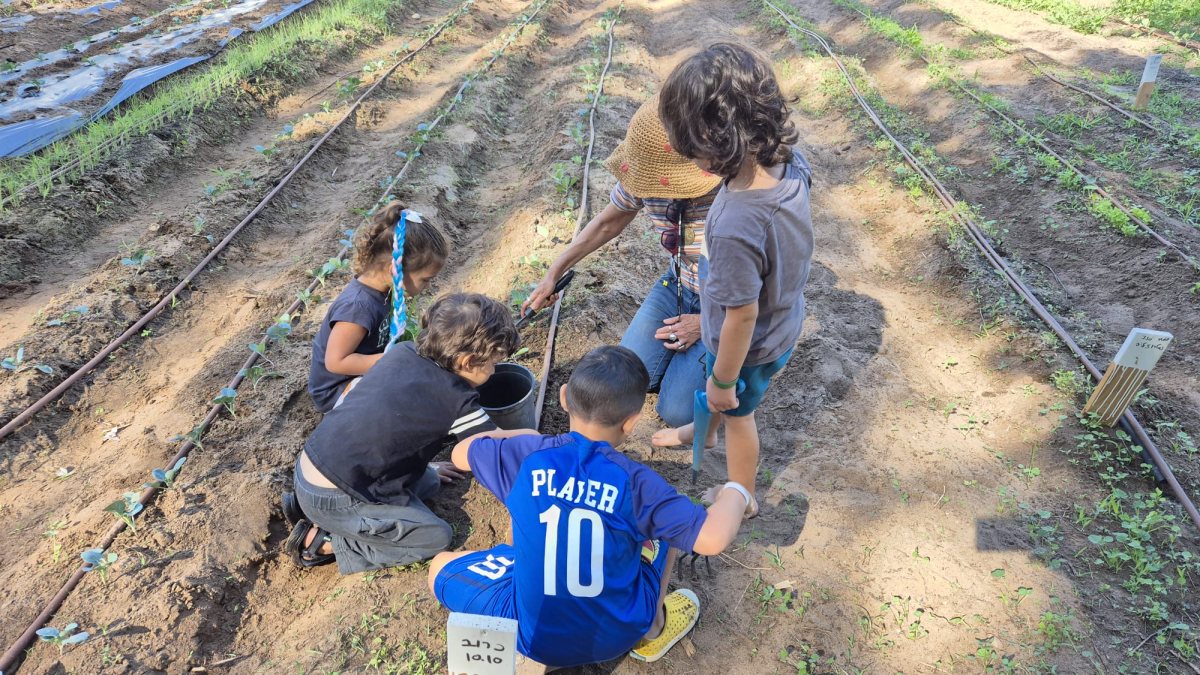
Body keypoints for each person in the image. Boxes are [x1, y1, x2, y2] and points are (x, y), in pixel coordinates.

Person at [427, 346, 750, 669]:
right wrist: (735, 491)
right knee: (669, 532)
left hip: (532, 637)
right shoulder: (638, 484)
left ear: (564, 398)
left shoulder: (528, 456)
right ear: (631, 423)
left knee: (439, 567)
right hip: (620, 633)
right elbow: (712, 539)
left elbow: (460, 454)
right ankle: (652, 628)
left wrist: (525, 436)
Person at [656, 42, 814, 517]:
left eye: (690, 147)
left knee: (738, 412)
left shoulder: (733, 226)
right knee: (713, 387)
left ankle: (741, 493)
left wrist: (725, 381)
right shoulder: (788, 163)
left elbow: (741, 315)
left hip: (750, 345)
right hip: (782, 316)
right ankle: (697, 428)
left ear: (714, 144)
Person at [286, 293, 525, 573]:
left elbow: (388, 427)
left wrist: (429, 468)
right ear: (469, 361)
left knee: (430, 482)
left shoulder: (404, 352)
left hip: (314, 468)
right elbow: (492, 447)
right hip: (338, 496)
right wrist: (536, 439)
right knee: (434, 536)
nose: (495, 369)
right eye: (493, 362)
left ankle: (316, 510)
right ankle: (326, 541)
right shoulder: (456, 399)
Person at [524, 95, 721, 430]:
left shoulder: (731, 196)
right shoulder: (644, 177)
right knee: (628, 376)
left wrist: (705, 323)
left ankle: (730, 368)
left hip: (728, 305)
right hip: (679, 285)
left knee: (675, 412)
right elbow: (606, 223)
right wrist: (553, 272)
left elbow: (765, 290)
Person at [307, 201, 448, 413]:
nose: (429, 286)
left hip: (364, 373)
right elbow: (336, 362)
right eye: (426, 279)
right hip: (338, 391)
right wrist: (392, 361)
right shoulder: (358, 307)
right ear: (395, 270)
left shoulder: (382, 291)